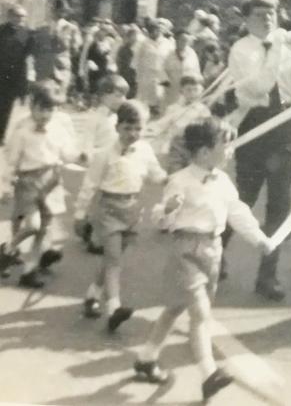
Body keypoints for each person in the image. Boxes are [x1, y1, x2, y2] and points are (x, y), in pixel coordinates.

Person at [132, 117, 276, 401]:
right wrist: (168, 211)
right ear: (203, 152)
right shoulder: (180, 181)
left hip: (212, 251)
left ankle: (147, 357)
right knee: (200, 313)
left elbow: (237, 212)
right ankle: (209, 373)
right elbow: (162, 221)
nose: (231, 150)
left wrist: (259, 238)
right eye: (225, 145)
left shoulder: (222, 180)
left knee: (174, 308)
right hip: (185, 250)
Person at [225, 0, 291, 300]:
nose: (267, 20)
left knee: (280, 203)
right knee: (245, 198)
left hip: (285, 129)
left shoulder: (285, 46)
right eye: (259, 15)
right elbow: (258, 87)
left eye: (272, 15)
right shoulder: (241, 50)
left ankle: (268, 275)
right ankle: (214, 249)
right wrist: (279, 50)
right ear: (246, 19)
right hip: (254, 125)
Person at [75, 100, 167, 332]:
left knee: (111, 258)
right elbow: (89, 185)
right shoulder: (104, 154)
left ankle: (92, 295)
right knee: (114, 258)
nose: (133, 134)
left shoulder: (145, 150)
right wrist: (79, 214)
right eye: (128, 128)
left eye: (138, 129)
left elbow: (156, 174)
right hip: (108, 209)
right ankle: (114, 307)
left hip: (133, 209)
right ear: (117, 127)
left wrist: (173, 179)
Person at [0, 82, 79, 287]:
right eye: (42, 108)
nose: (46, 114)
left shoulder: (57, 128)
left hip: (51, 181)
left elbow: (66, 152)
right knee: (32, 225)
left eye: (51, 109)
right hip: (28, 181)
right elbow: (11, 160)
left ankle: (29, 270)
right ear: (32, 105)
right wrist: (6, 185)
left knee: (42, 228)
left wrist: (79, 156)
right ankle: (7, 249)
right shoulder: (22, 130)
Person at [77, 74, 130, 254]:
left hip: (113, 163)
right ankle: (91, 232)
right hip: (98, 161)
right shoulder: (95, 117)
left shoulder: (119, 116)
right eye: (117, 95)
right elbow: (87, 138)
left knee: (108, 199)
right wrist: (86, 152)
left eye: (124, 95)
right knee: (94, 197)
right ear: (104, 96)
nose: (122, 99)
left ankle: (96, 232)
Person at [151, 74, 212, 174]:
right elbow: (161, 126)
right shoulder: (173, 109)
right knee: (175, 173)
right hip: (177, 146)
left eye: (195, 89)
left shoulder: (203, 110)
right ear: (182, 91)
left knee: (193, 174)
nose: (192, 93)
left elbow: (207, 129)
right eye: (188, 90)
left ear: (201, 90)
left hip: (194, 146)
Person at [0, 5, 33, 143]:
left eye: (23, 17)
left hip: (14, 77)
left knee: (7, 106)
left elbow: (28, 57)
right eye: (18, 16)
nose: (20, 19)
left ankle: (1, 135)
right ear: (10, 16)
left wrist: (26, 79)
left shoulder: (27, 34)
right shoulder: (1, 30)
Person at [133, 20, 170, 116]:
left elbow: (169, 58)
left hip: (162, 75)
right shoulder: (143, 43)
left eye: (156, 30)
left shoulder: (167, 43)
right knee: (144, 99)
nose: (154, 33)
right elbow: (136, 60)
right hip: (146, 74)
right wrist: (137, 76)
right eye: (152, 31)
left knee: (159, 97)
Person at [161, 28, 201, 109]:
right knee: (172, 109)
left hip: (188, 88)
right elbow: (162, 70)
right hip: (173, 87)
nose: (184, 42)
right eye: (181, 40)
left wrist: (195, 83)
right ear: (176, 40)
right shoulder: (169, 54)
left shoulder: (192, 53)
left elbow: (197, 70)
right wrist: (166, 82)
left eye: (186, 40)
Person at [115, 25, 140, 97]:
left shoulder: (131, 49)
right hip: (126, 78)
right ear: (128, 38)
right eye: (133, 37)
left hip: (131, 78)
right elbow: (123, 65)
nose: (135, 39)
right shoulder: (124, 49)